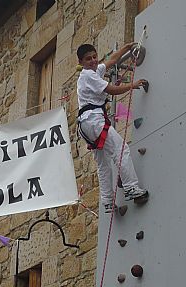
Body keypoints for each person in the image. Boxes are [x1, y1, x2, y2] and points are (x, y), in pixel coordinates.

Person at [76, 42, 149, 213]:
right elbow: (111, 90)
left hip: (87, 124)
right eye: (88, 59)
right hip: (94, 120)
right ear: (81, 62)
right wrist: (132, 85)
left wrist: (127, 48)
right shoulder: (88, 75)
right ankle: (131, 187)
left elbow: (111, 61)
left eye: (94, 57)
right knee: (121, 149)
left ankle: (107, 201)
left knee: (103, 163)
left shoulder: (93, 71)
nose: (93, 61)